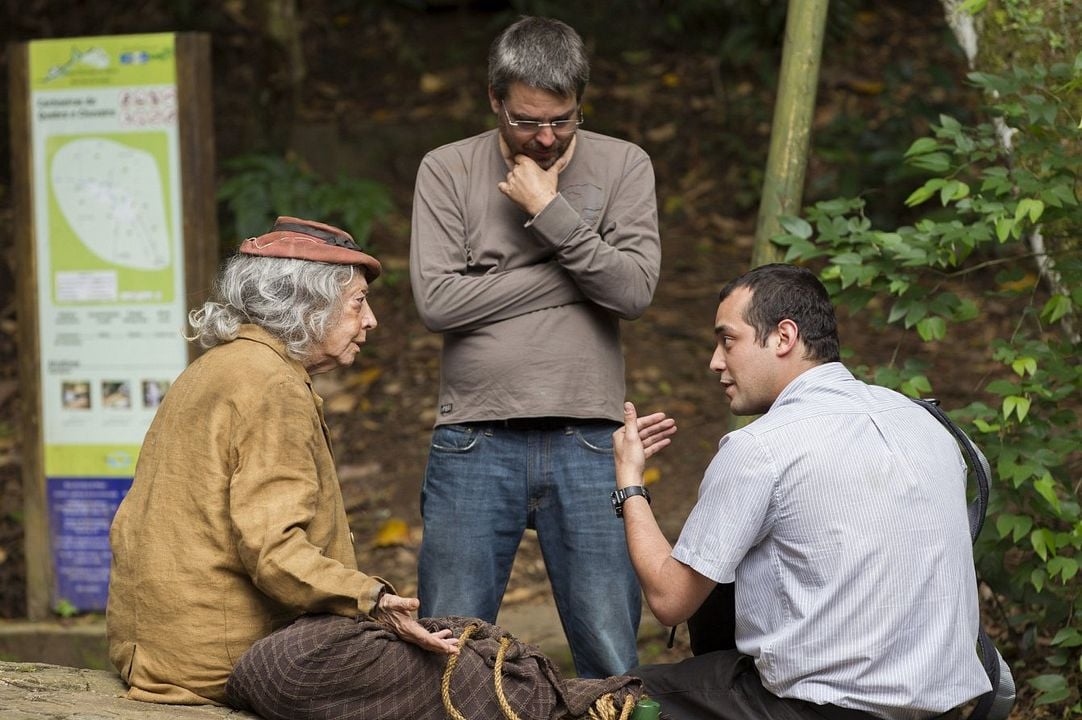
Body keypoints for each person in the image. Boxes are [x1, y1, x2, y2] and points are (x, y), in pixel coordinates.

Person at [611, 264, 992, 719]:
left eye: (727, 340)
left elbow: (670, 601)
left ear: (783, 337)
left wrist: (629, 482)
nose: (715, 360)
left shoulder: (761, 446)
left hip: (822, 709)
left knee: (612, 700)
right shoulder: (929, 423)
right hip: (947, 705)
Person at [106, 217, 460, 706]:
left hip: (155, 649)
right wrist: (372, 600)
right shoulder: (272, 385)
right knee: (452, 676)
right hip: (220, 661)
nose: (371, 320)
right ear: (308, 308)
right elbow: (273, 551)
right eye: (358, 303)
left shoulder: (217, 365)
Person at [409, 16, 662, 678]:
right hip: (473, 437)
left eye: (564, 121)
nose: (546, 139)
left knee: (610, 652)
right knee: (451, 648)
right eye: (527, 122)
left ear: (581, 103)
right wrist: (579, 266)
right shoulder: (446, 169)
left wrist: (549, 214)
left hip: (588, 437)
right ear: (494, 99)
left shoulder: (625, 164)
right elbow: (438, 303)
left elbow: (633, 292)